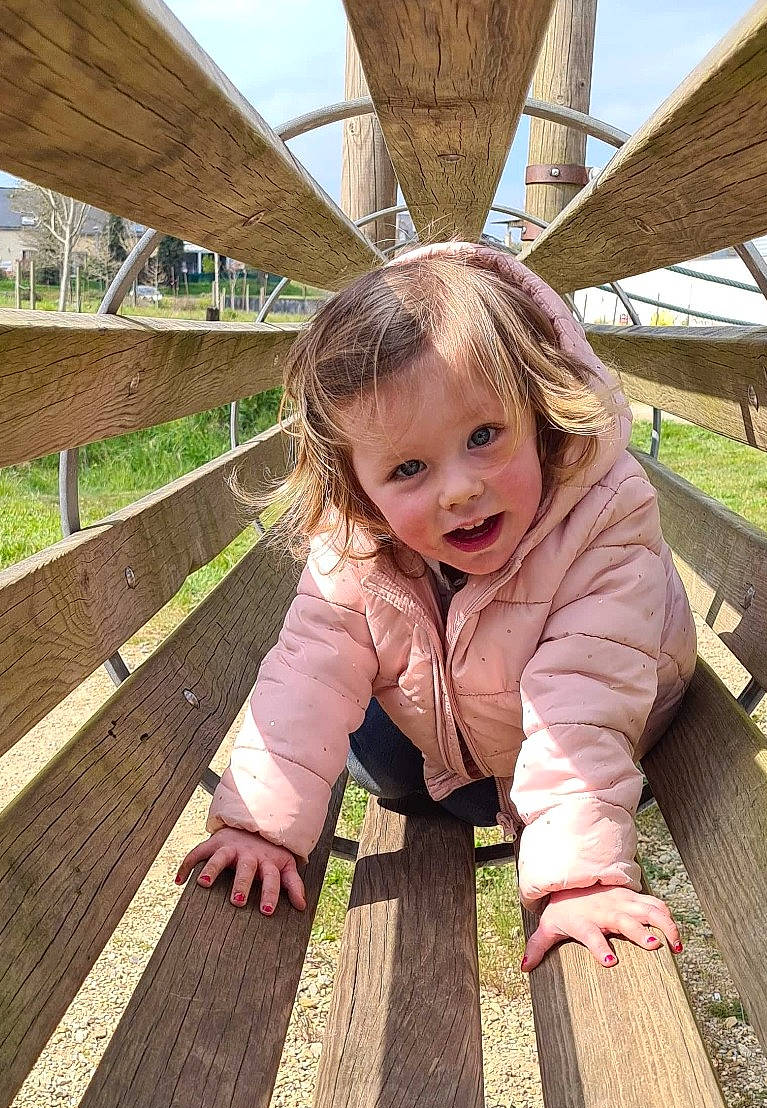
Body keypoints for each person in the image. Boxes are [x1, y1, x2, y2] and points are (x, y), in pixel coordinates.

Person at [176, 241, 696, 972]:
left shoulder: (601, 514)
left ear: (539, 410)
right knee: (358, 720)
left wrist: (578, 881)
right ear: (357, 485)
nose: (459, 489)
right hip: (439, 736)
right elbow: (310, 670)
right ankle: (445, 772)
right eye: (408, 468)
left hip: (591, 731)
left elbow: (588, 697)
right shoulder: (358, 536)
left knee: (540, 719)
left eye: (483, 437)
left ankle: (528, 807)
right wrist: (259, 827)